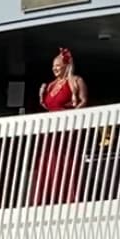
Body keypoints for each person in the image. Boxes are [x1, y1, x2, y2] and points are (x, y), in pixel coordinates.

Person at [32, 48, 88, 204]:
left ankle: (70, 197)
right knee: (48, 163)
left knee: (66, 163)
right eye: (53, 66)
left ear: (66, 65)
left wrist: (70, 117)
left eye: (57, 65)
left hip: (67, 129)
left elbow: (83, 101)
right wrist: (41, 98)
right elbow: (49, 106)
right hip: (51, 130)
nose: (54, 69)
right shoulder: (50, 85)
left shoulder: (76, 81)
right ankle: (47, 198)